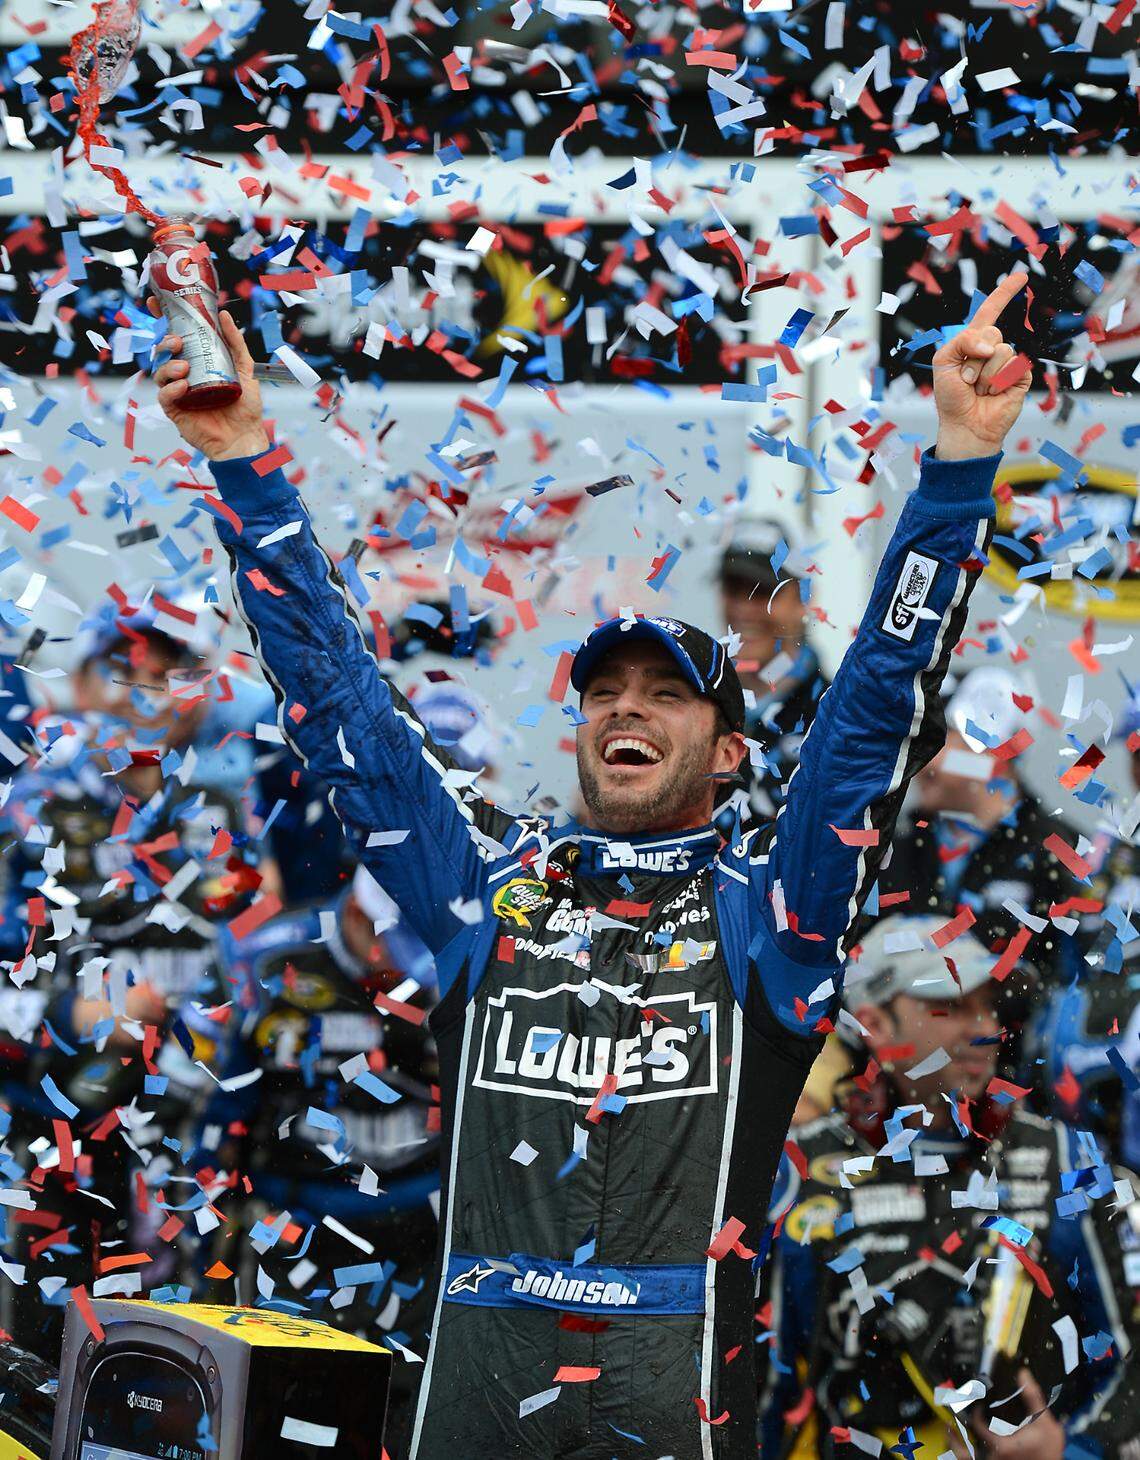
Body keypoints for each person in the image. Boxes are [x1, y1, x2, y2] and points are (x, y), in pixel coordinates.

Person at [151, 273, 1032, 1456]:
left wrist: (960, 463)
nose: (627, 707)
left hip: (676, 1405)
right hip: (469, 1398)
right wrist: (244, 457)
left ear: (728, 751)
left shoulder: (778, 916)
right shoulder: (487, 897)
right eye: (603, 691)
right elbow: (339, 705)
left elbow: (879, 701)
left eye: (667, 692)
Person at [761, 915, 1140, 1460]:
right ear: (875, 1024)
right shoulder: (797, 1168)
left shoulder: (1063, 1159)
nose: (983, 1027)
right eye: (950, 1007)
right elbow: (761, 1385)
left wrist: (1068, 1450)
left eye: (988, 1006)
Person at [0, 600, 264, 1361]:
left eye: (170, 673)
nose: (145, 692)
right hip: (42, 1164)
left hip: (194, 1178)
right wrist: (84, 1013)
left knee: (173, 1386)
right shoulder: (34, 810)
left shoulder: (245, 818)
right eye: (125, 671)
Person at [183, 862, 439, 1439]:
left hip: (420, 1225)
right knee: (281, 1412)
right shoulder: (266, 961)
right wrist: (209, 1225)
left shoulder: (460, 952)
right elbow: (211, 1105)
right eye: (393, 940)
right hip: (296, 1224)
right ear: (354, 912)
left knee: (401, 1414)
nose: (402, 962)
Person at [873, 665, 1086, 986]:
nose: (917, 757)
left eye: (934, 740)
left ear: (993, 753)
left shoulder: (1057, 852)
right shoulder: (895, 843)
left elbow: (1072, 981)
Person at [717, 518, 830, 822]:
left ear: (804, 597)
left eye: (764, 590)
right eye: (734, 589)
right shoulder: (698, 702)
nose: (744, 608)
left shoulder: (834, 715)